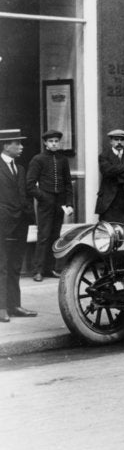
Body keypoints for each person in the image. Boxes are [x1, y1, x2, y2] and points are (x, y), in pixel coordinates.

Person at [25, 129, 73, 281]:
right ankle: (37, 270)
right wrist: (43, 197)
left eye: (56, 141)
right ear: (45, 143)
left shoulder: (63, 159)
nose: (54, 144)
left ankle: (50, 269)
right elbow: (30, 185)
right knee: (43, 236)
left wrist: (69, 203)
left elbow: (67, 183)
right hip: (45, 204)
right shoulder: (38, 159)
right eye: (51, 141)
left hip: (60, 203)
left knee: (55, 236)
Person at [0, 129, 37, 322]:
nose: (21, 147)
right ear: (6, 145)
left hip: (20, 224)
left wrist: (28, 215)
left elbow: (24, 194)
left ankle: (14, 306)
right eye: (18, 143)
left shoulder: (20, 168)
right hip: (3, 223)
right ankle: (2, 308)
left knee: (15, 266)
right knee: (2, 266)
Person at [95, 128, 124, 223]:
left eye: (122, 140)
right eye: (116, 139)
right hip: (109, 201)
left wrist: (116, 174)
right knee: (109, 229)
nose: (119, 142)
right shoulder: (104, 156)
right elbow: (107, 171)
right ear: (111, 141)